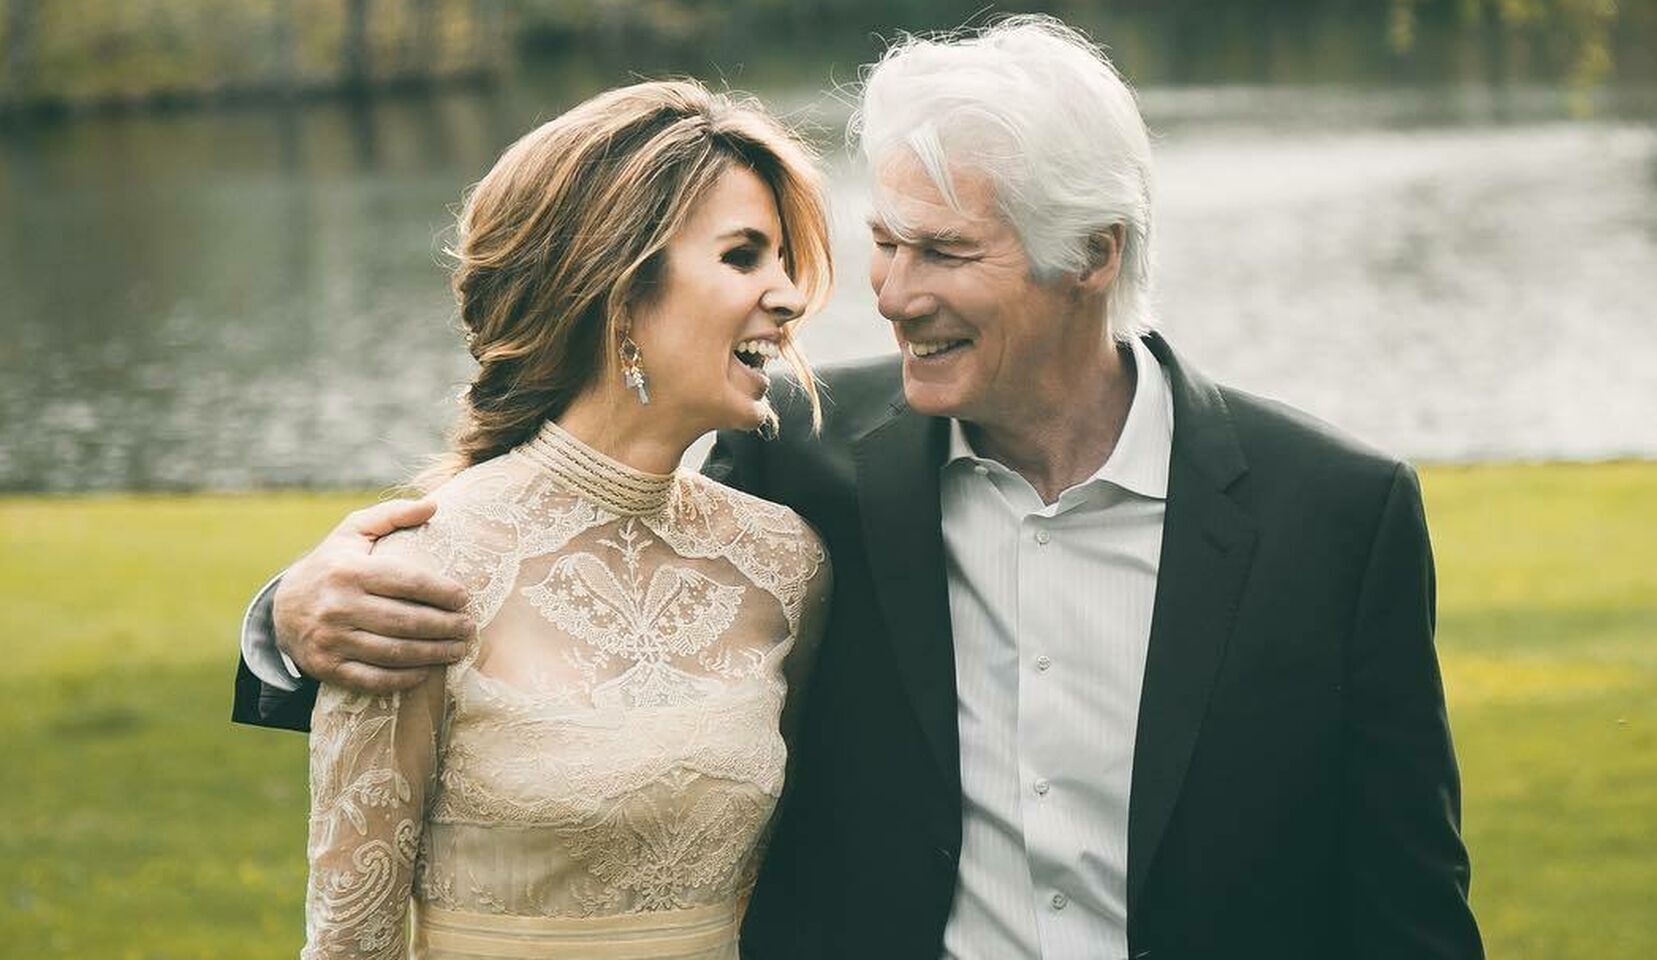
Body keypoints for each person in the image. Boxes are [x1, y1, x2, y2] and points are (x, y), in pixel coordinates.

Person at [236, 16, 1484, 960]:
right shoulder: (802, 459)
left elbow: (1406, 906)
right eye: (884, 242)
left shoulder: (1337, 518)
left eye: (943, 252)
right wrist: (288, 624)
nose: (885, 293)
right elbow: (564, 580)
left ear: (1091, 258)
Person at [255, 79, 837, 958]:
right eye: (744, 256)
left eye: (784, 261)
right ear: (620, 292)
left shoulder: (784, 563)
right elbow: (349, 943)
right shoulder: (413, 571)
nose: (790, 297)